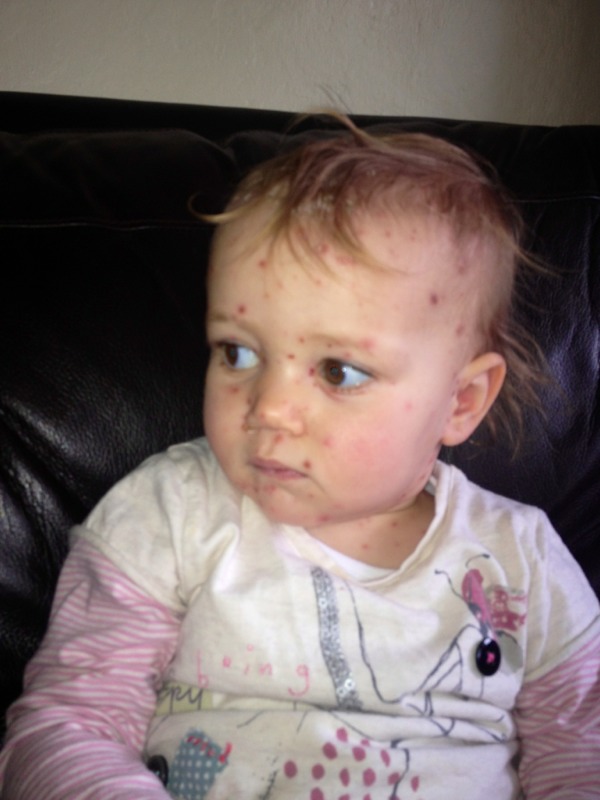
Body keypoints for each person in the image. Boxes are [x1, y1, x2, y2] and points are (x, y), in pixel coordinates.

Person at [1, 117, 599, 800]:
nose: (269, 408)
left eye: (339, 371)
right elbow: (67, 725)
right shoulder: (170, 514)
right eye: (238, 352)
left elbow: (582, 750)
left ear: (460, 402)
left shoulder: (520, 560)